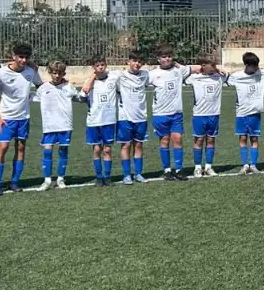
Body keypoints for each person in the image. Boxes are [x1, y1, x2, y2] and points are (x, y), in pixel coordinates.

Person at [0, 42, 43, 195]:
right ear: (14, 56)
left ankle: (15, 182)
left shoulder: (31, 71)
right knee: (3, 147)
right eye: (21, 57)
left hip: (23, 117)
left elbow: (41, 86)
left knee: (21, 148)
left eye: (26, 57)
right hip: (6, 117)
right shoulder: (1, 73)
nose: (23, 60)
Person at [148, 45, 194, 181]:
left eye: (169, 56)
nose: (167, 59)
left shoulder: (178, 70)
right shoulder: (152, 74)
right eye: (164, 57)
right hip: (160, 113)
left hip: (176, 113)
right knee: (164, 141)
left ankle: (179, 169)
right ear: (158, 59)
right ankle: (167, 170)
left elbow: (195, 68)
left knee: (178, 139)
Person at [34, 61, 77, 190]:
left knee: (63, 151)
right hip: (49, 125)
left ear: (64, 73)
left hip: (65, 124)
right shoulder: (43, 88)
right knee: (47, 151)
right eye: (54, 73)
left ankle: (60, 179)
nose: (57, 76)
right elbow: (33, 98)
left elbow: (79, 97)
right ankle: (47, 180)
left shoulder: (69, 86)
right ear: (50, 73)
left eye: (60, 73)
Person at [227, 52, 264, 174]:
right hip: (241, 113)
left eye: (257, 65)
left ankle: (254, 165)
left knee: (254, 138)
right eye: (254, 65)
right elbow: (224, 78)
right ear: (246, 65)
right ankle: (245, 165)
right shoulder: (236, 76)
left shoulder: (263, 74)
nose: (256, 68)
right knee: (242, 138)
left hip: (255, 113)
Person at [80, 55, 119, 186]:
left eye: (102, 65)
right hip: (94, 121)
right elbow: (83, 95)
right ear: (93, 67)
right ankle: (98, 177)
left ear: (106, 65)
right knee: (97, 149)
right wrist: (92, 78)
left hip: (109, 120)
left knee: (107, 150)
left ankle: (107, 177)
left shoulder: (113, 77)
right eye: (97, 65)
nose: (100, 67)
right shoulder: (89, 81)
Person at [115, 51, 151, 184]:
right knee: (126, 145)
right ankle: (126, 175)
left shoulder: (145, 75)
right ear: (128, 61)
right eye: (134, 61)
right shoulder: (120, 76)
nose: (137, 64)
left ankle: (138, 174)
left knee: (139, 145)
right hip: (125, 117)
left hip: (141, 116)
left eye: (140, 61)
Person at [187, 57, 226, 177]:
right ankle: (198, 167)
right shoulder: (194, 78)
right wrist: (193, 69)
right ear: (203, 65)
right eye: (212, 65)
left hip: (214, 114)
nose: (214, 67)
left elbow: (229, 74)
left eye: (215, 65)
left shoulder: (219, 77)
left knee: (211, 140)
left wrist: (220, 71)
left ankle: (208, 167)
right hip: (199, 114)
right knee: (199, 140)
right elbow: (181, 75)